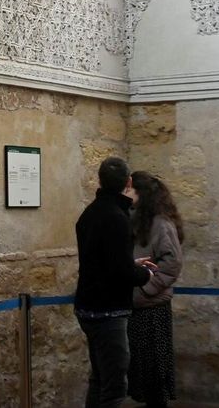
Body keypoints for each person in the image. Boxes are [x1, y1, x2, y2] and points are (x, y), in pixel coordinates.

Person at [74, 157, 157, 408]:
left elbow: (103, 262)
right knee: (114, 387)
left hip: (88, 307)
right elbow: (120, 272)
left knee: (99, 379)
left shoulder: (89, 214)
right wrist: (145, 275)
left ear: (99, 180)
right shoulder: (117, 217)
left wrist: (131, 265)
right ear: (128, 182)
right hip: (108, 311)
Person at [127, 171, 183, 408]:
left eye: (129, 189)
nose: (126, 193)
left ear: (141, 193)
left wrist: (147, 289)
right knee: (139, 371)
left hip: (152, 308)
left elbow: (172, 263)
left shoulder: (161, 223)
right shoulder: (131, 219)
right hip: (135, 306)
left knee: (154, 372)